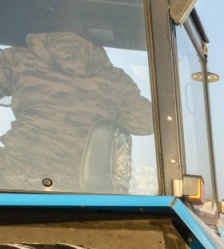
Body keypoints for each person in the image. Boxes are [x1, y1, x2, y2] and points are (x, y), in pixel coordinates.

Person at [0, 32, 153, 191]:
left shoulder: (16, 60)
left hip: (14, 177)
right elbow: (146, 123)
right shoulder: (116, 80)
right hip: (81, 190)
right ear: (95, 48)